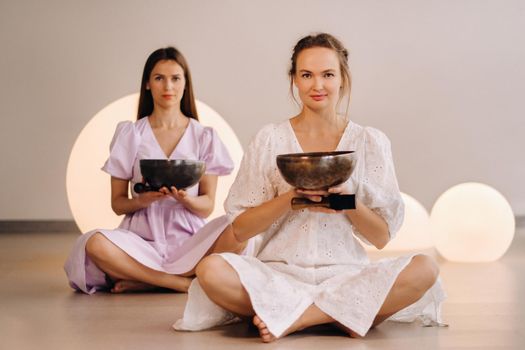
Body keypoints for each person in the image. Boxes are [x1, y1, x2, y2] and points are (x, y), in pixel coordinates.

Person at [173, 33, 446, 342]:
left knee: (425, 269)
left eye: (327, 74)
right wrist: (290, 199)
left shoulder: (369, 142)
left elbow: (381, 237)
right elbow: (240, 229)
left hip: (347, 277)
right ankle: (344, 315)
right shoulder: (270, 139)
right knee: (211, 270)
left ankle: (299, 318)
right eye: (307, 75)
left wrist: (349, 201)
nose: (317, 85)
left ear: (343, 78)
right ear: (294, 80)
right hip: (278, 277)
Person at [64, 47, 248, 294]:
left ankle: (144, 281)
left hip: (190, 240)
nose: (168, 86)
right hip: (140, 241)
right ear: (148, 84)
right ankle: (178, 282)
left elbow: (207, 205)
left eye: (175, 78)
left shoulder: (204, 136)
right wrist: (142, 200)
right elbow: (118, 204)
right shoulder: (131, 134)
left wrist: (185, 200)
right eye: (159, 78)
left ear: (185, 84)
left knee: (240, 227)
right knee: (93, 243)